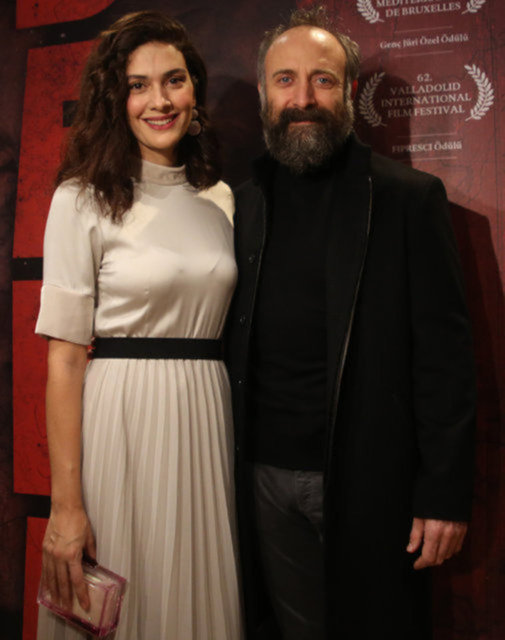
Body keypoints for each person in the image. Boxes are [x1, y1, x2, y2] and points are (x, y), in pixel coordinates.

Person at [226, 6, 475, 640]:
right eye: (285, 79)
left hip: (373, 480)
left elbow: (445, 361)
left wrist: (444, 495)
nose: (302, 99)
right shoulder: (239, 206)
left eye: (323, 80)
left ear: (350, 91)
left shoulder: (409, 200)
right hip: (260, 480)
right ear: (263, 94)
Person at [35, 11, 242, 640]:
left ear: (194, 91)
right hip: (120, 420)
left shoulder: (220, 198)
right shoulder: (80, 199)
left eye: (174, 80)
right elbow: (65, 359)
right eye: (138, 85)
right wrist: (66, 506)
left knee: (192, 598)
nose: (160, 100)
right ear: (114, 99)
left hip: (205, 417)